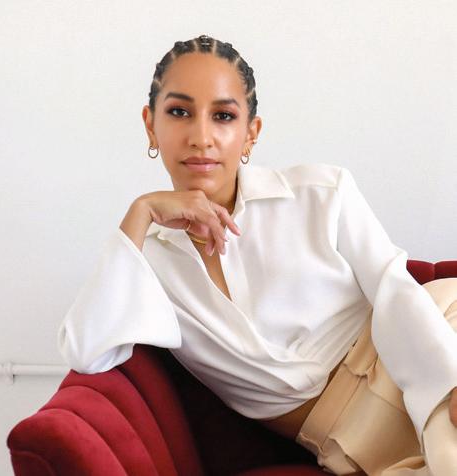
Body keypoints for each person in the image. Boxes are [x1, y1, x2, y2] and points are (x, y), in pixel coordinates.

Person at [57, 35, 457, 475]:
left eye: (224, 116)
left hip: (433, 346)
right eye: (179, 112)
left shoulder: (322, 193)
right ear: (151, 125)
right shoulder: (148, 265)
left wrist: (449, 382)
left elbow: (393, 288)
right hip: (349, 437)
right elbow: (85, 350)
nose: (201, 137)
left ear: (251, 132)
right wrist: (141, 211)